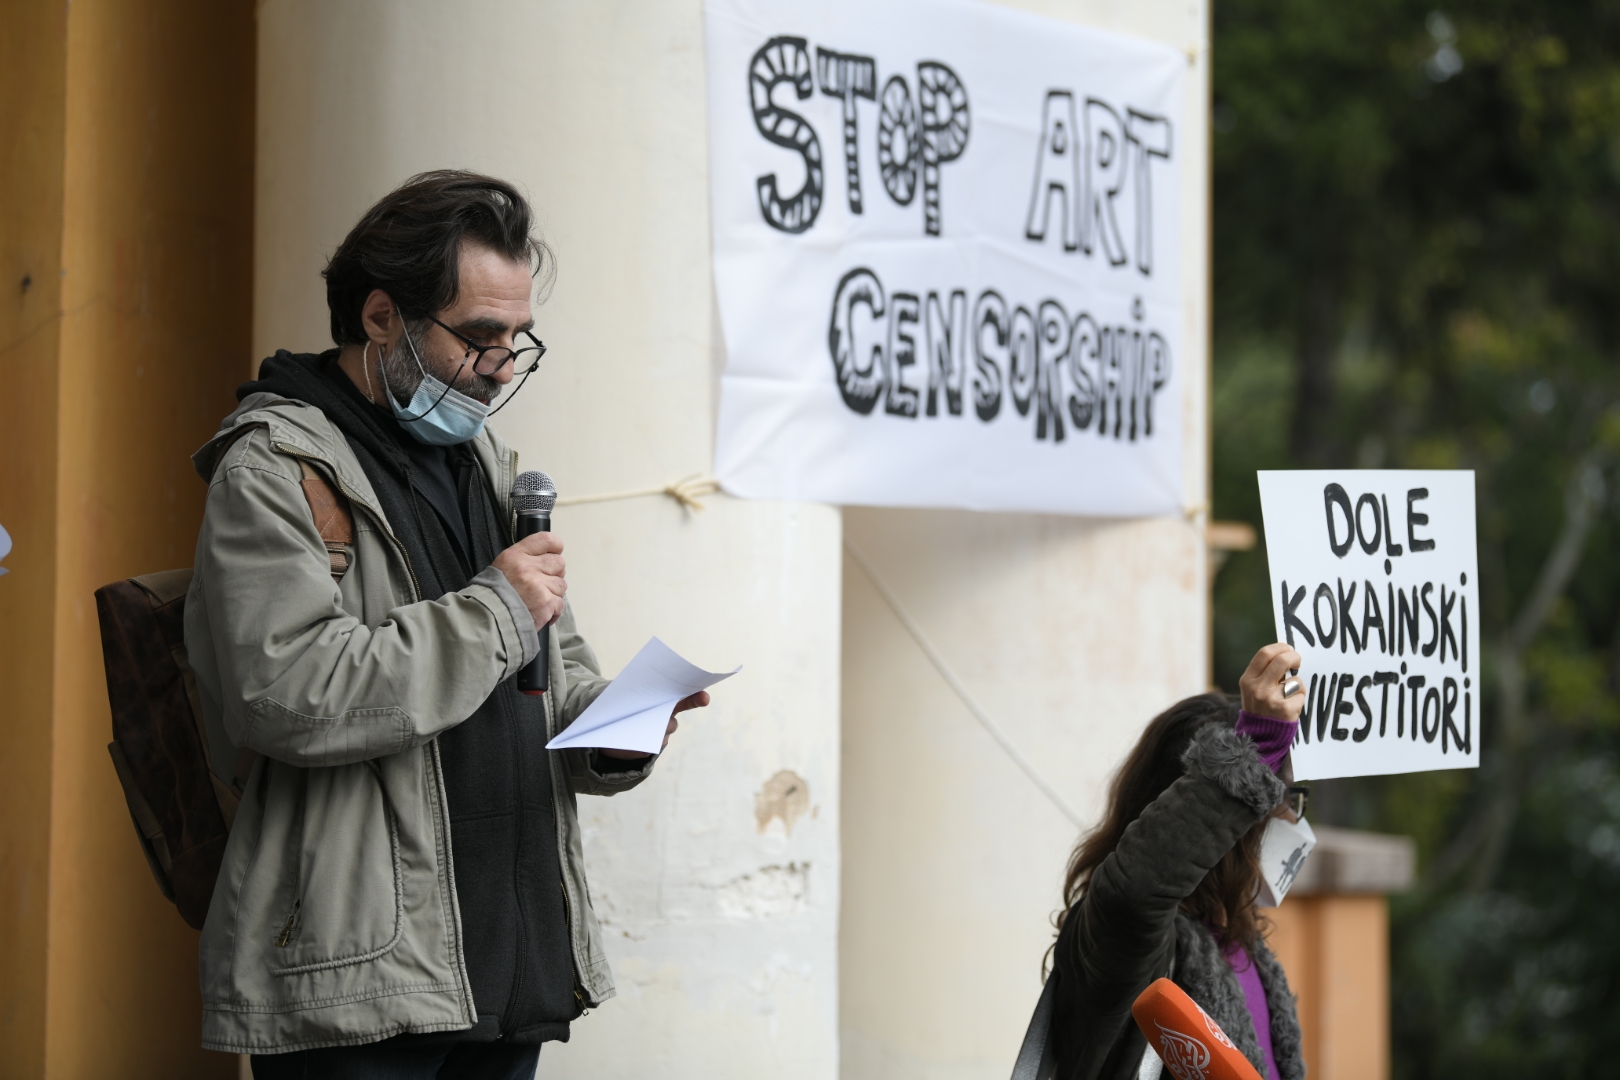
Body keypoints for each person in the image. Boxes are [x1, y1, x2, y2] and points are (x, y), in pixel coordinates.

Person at [184, 170, 708, 1078]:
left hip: (509, 967)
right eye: (478, 337)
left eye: (516, 339)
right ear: (381, 316)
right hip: (369, 983)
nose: (501, 367)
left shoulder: (488, 465)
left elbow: (550, 667)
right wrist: (500, 607)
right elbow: (285, 692)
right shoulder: (277, 466)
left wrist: (614, 729)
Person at [1048, 643, 1309, 1080]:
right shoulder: (1121, 945)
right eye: (1273, 796)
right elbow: (1134, 894)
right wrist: (1256, 750)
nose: (1289, 817)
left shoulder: (1245, 953)